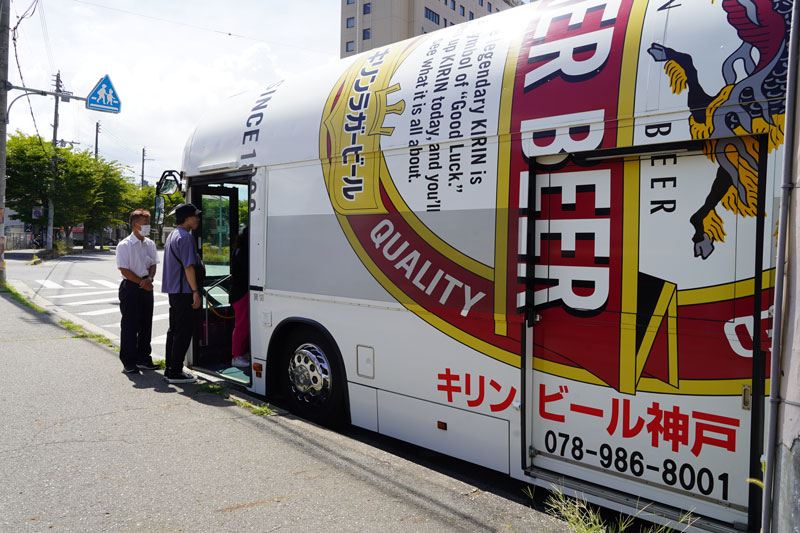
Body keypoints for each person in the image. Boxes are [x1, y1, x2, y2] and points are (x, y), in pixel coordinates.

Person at [161, 203, 203, 384]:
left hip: (174, 291)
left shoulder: (172, 234)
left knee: (174, 330)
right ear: (186, 218)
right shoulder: (186, 238)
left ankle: (170, 367)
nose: (198, 219)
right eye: (195, 216)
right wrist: (195, 291)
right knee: (184, 331)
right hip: (184, 291)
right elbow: (188, 267)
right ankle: (176, 371)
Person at [115, 208, 160, 374]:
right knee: (129, 326)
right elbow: (124, 269)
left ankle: (144, 358)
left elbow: (154, 264)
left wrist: (149, 279)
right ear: (135, 225)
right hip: (131, 287)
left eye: (148, 222)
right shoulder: (124, 245)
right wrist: (142, 282)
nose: (147, 225)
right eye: (145, 222)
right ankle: (129, 361)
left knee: (146, 324)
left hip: (146, 285)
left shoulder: (150, 244)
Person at [230, 227, 250, 368]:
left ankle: (241, 353)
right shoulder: (243, 252)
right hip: (241, 292)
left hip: (238, 292)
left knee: (244, 325)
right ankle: (237, 356)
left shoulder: (239, 249)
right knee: (242, 325)